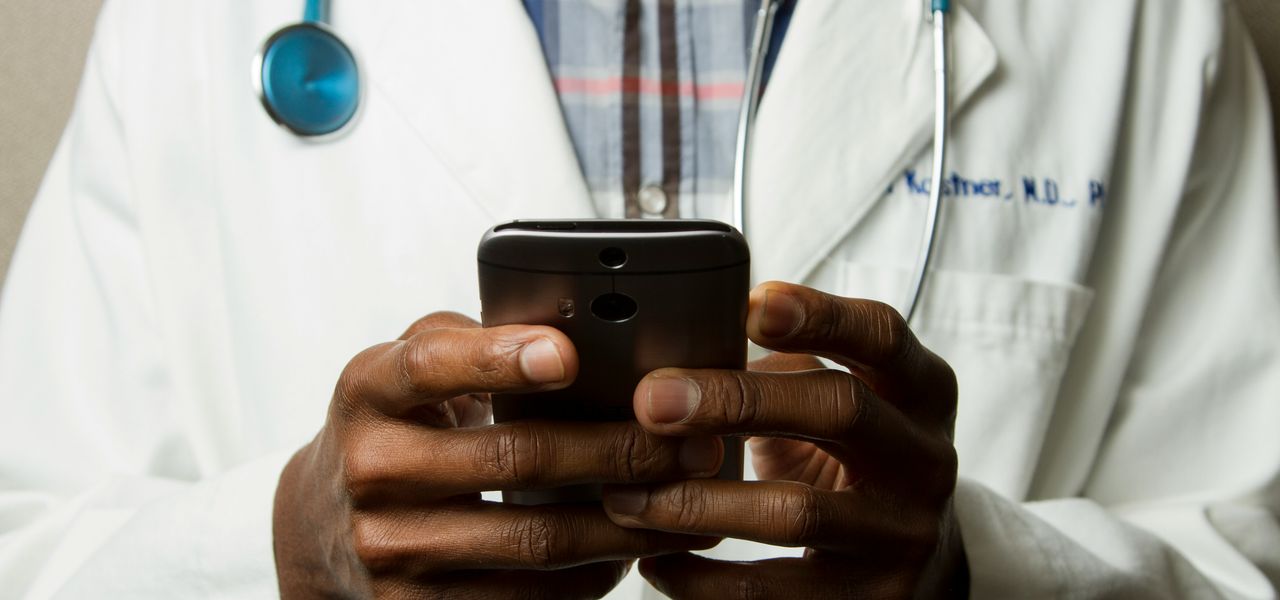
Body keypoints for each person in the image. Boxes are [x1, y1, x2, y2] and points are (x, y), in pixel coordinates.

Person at [1, 0, 1278, 598]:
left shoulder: (1141, 24)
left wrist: (972, 576)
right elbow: (29, 550)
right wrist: (282, 551)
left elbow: (1247, 554)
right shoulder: (191, 24)